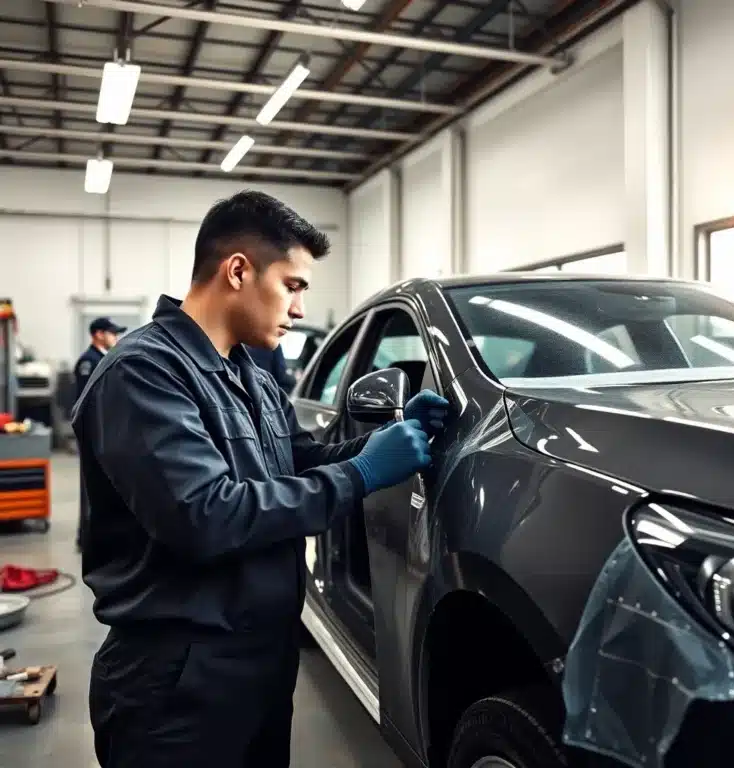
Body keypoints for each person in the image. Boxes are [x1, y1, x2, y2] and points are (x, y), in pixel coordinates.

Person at [70, 190, 450, 768]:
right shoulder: (143, 372)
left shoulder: (251, 374)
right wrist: (364, 472)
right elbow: (206, 515)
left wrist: (384, 444)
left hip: (260, 664)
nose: (298, 309)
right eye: (292, 286)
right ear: (238, 271)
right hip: (177, 682)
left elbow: (297, 460)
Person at [73, 316, 126, 551]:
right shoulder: (88, 362)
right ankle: (86, 539)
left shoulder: (105, 358)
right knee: (90, 487)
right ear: (98, 334)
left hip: (107, 432)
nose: (116, 337)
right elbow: (87, 402)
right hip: (95, 433)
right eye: (112, 333)